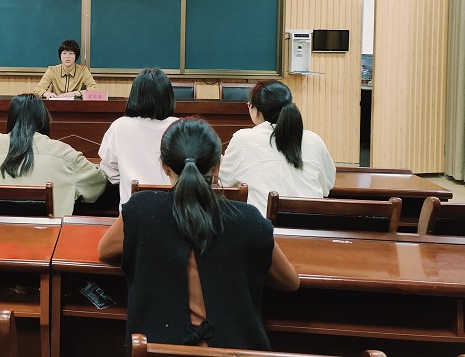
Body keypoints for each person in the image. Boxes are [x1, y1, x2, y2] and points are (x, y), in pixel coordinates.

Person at [98, 117, 299, 351]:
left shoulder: (142, 210)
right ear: (217, 167)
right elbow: (290, 282)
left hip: (156, 351)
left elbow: (105, 250)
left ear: (164, 166)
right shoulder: (249, 219)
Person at [0, 93, 107, 216]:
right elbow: (96, 185)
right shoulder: (64, 152)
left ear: (10, 119)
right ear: (43, 119)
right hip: (50, 234)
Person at [218, 80, 336, 216]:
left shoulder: (243, 138)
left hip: (263, 226)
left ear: (256, 111)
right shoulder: (314, 140)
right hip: (310, 225)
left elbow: (225, 184)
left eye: (249, 105)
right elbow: (327, 186)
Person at [99, 68, 179, 208]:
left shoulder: (119, 126)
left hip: (132, 211)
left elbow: (109, 170)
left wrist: (126, 179)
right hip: (175, 210)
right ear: (168, 97)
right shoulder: (180, 127)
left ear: (134, 95)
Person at [33, 39, 98, 99]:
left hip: (77, 105)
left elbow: (94, 89)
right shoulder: (52, 70)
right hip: (57, 105)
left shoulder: (83, 70)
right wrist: (46, 94)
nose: (67, 57)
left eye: (71, 53)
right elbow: (37, 90)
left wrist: (76, 93)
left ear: (76, 56)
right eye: (64, 53)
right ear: (60, 55)